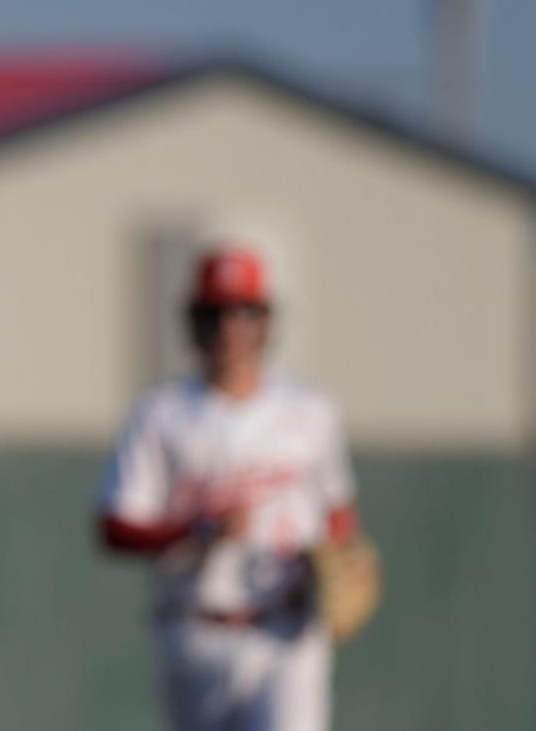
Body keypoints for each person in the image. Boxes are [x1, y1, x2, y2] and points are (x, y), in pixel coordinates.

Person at [95, 246, 361, 731]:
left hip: (287, 629)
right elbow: (114, 526)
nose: (229, 327)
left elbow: (339, 511)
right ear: (194, 322)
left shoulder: (311, 411)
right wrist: (194, 533)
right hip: (197, 628)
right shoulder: (162, 413)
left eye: (243, 311)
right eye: (214, 313)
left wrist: (340, 556)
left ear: (266, 321)